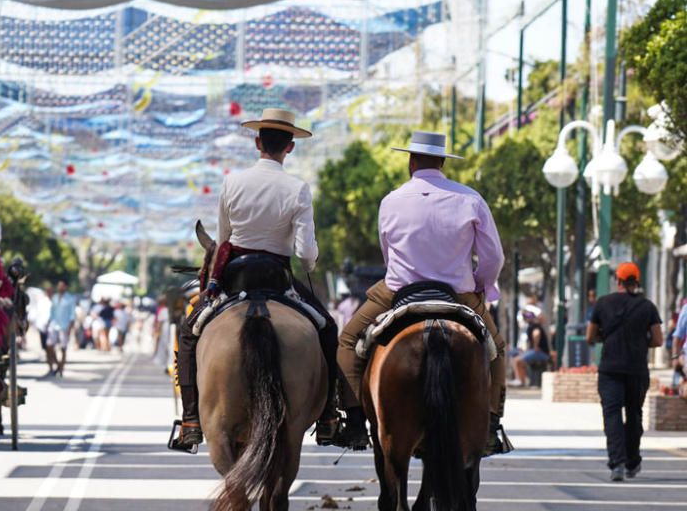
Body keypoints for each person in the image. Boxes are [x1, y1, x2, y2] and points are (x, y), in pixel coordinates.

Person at [171, 107, 340, 451]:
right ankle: (328, 417)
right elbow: (306, 254)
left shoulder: (232, 182)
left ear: (257, 142)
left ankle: (190, 421)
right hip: (278, 278)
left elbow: (223, 240)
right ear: (290, 147)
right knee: (327, 329)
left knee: (189, 333)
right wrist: (310, 257)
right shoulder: (298, 188)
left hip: (235, 277)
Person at [336, 130, 511, 455]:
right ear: (443, 162)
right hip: (458, 294)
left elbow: (389, 253)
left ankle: (355, 420)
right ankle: (490, 425)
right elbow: (494, 258)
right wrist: (480, 285)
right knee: (497, 350)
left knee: (347, 342)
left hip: (398, 290)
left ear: (411, 161)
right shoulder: (470, 199)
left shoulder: (391, 200)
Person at [587, 263, 663, 481]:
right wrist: (639, 341)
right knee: (634, 414)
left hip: (610, 369)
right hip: (637, 369)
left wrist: (607, 338)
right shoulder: (647, 306)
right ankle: (632, 462)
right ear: (636, 282)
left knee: (611, 415)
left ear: (618, 281)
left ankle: (617, 463)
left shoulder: (603, 304)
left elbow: (590, 337)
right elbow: (657, 339)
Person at [510, 309, 551, 387]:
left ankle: (520, 381)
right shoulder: (532, 325)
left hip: (542, 352)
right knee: (515, 355)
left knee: (517, 361)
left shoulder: (534, 325)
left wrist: (536, 346)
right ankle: (522, 380)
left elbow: (536, 333)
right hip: (537, 351)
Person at [47, 280, 77, 377]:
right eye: (59, 286)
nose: (60, 288)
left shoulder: (70, 299)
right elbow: (52, 312)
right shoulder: (55, 297)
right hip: (54, 324)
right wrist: (48, 322)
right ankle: (57, 365)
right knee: (49, 345)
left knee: (63, 348)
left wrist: (70, 327)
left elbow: (72, 314)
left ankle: (61, 368)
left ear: (66, 287)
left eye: (62, 286)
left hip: (64, 326)